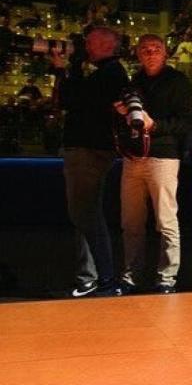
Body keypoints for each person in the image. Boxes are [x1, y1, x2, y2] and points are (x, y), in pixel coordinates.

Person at [49, 26, 128, 297]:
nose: (85, 46)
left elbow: (73, 99)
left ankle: (106, 279)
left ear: (107, 44)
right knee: (86, 214)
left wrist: (63, 71)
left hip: (89, 150)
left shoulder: (111, 73)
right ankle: (93, 278)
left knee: (85, 215)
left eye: (90, 42)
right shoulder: (105, 72)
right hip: (87, 149)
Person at [114, 34, 192, 294]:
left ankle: (166, 278)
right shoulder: (132, 83)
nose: (150, 53)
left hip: (163, 157)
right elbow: (124, 125)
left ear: (165, 53)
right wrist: (123, 114)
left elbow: (187, 123)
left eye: (156, 49)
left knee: (166, 220)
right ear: (137, 54)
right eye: (145, 49)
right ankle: (131, 276)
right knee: (131, 222)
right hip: (133, 157)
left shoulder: (178, 82)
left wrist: (155, 124)